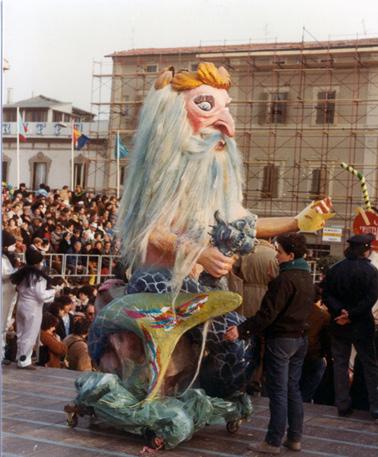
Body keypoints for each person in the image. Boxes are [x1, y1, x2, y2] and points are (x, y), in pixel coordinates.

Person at [225, 233, 314, 454]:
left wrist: (241, 329)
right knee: (293, 389)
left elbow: (267, 315)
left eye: (280, 252)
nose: (276, 255)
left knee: (278, 391)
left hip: (282, 340)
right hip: (300, 339)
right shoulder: (305, 277)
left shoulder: (284, 280)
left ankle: (273, 441)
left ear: (290, 255)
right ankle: (294, 438)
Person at [322, 233, 378, 419]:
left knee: (340, 364)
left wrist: (340, 313)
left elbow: (326, 294)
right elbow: (370, 299)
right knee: (370, 366)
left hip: (339, 324)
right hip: (362, 324)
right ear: (366, 250)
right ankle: (375, 406)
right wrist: (352, 314)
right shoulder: (371, 272)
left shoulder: (335, 269)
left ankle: (342, 404)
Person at [11, 249, 56, 369]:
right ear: (37, 263)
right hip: (32, 308)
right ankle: (24, 361)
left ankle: (20, 357)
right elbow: (41, 295)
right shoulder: (38, 277)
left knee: (21, 333)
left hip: (21, 305)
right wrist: (53, 291)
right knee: (30, 334)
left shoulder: (22, 273)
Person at [2, 231, 18, 364]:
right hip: (3, 296)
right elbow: (4, 275)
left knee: (3, 328)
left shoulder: (6, 258)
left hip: (7, 296)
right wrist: (17, 272)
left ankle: (1, 355)